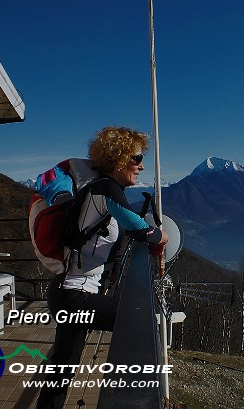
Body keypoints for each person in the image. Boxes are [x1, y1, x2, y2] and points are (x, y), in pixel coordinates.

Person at [37, 126, 167, 409]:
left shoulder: (98, 190)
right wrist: (160, 235)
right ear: (118, 159)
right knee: (143, 322)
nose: (141, 165)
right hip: (75, 297)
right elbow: (140, 230)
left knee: (61, 372)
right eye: (136, 158)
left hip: (68, 293)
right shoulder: (106, 189)